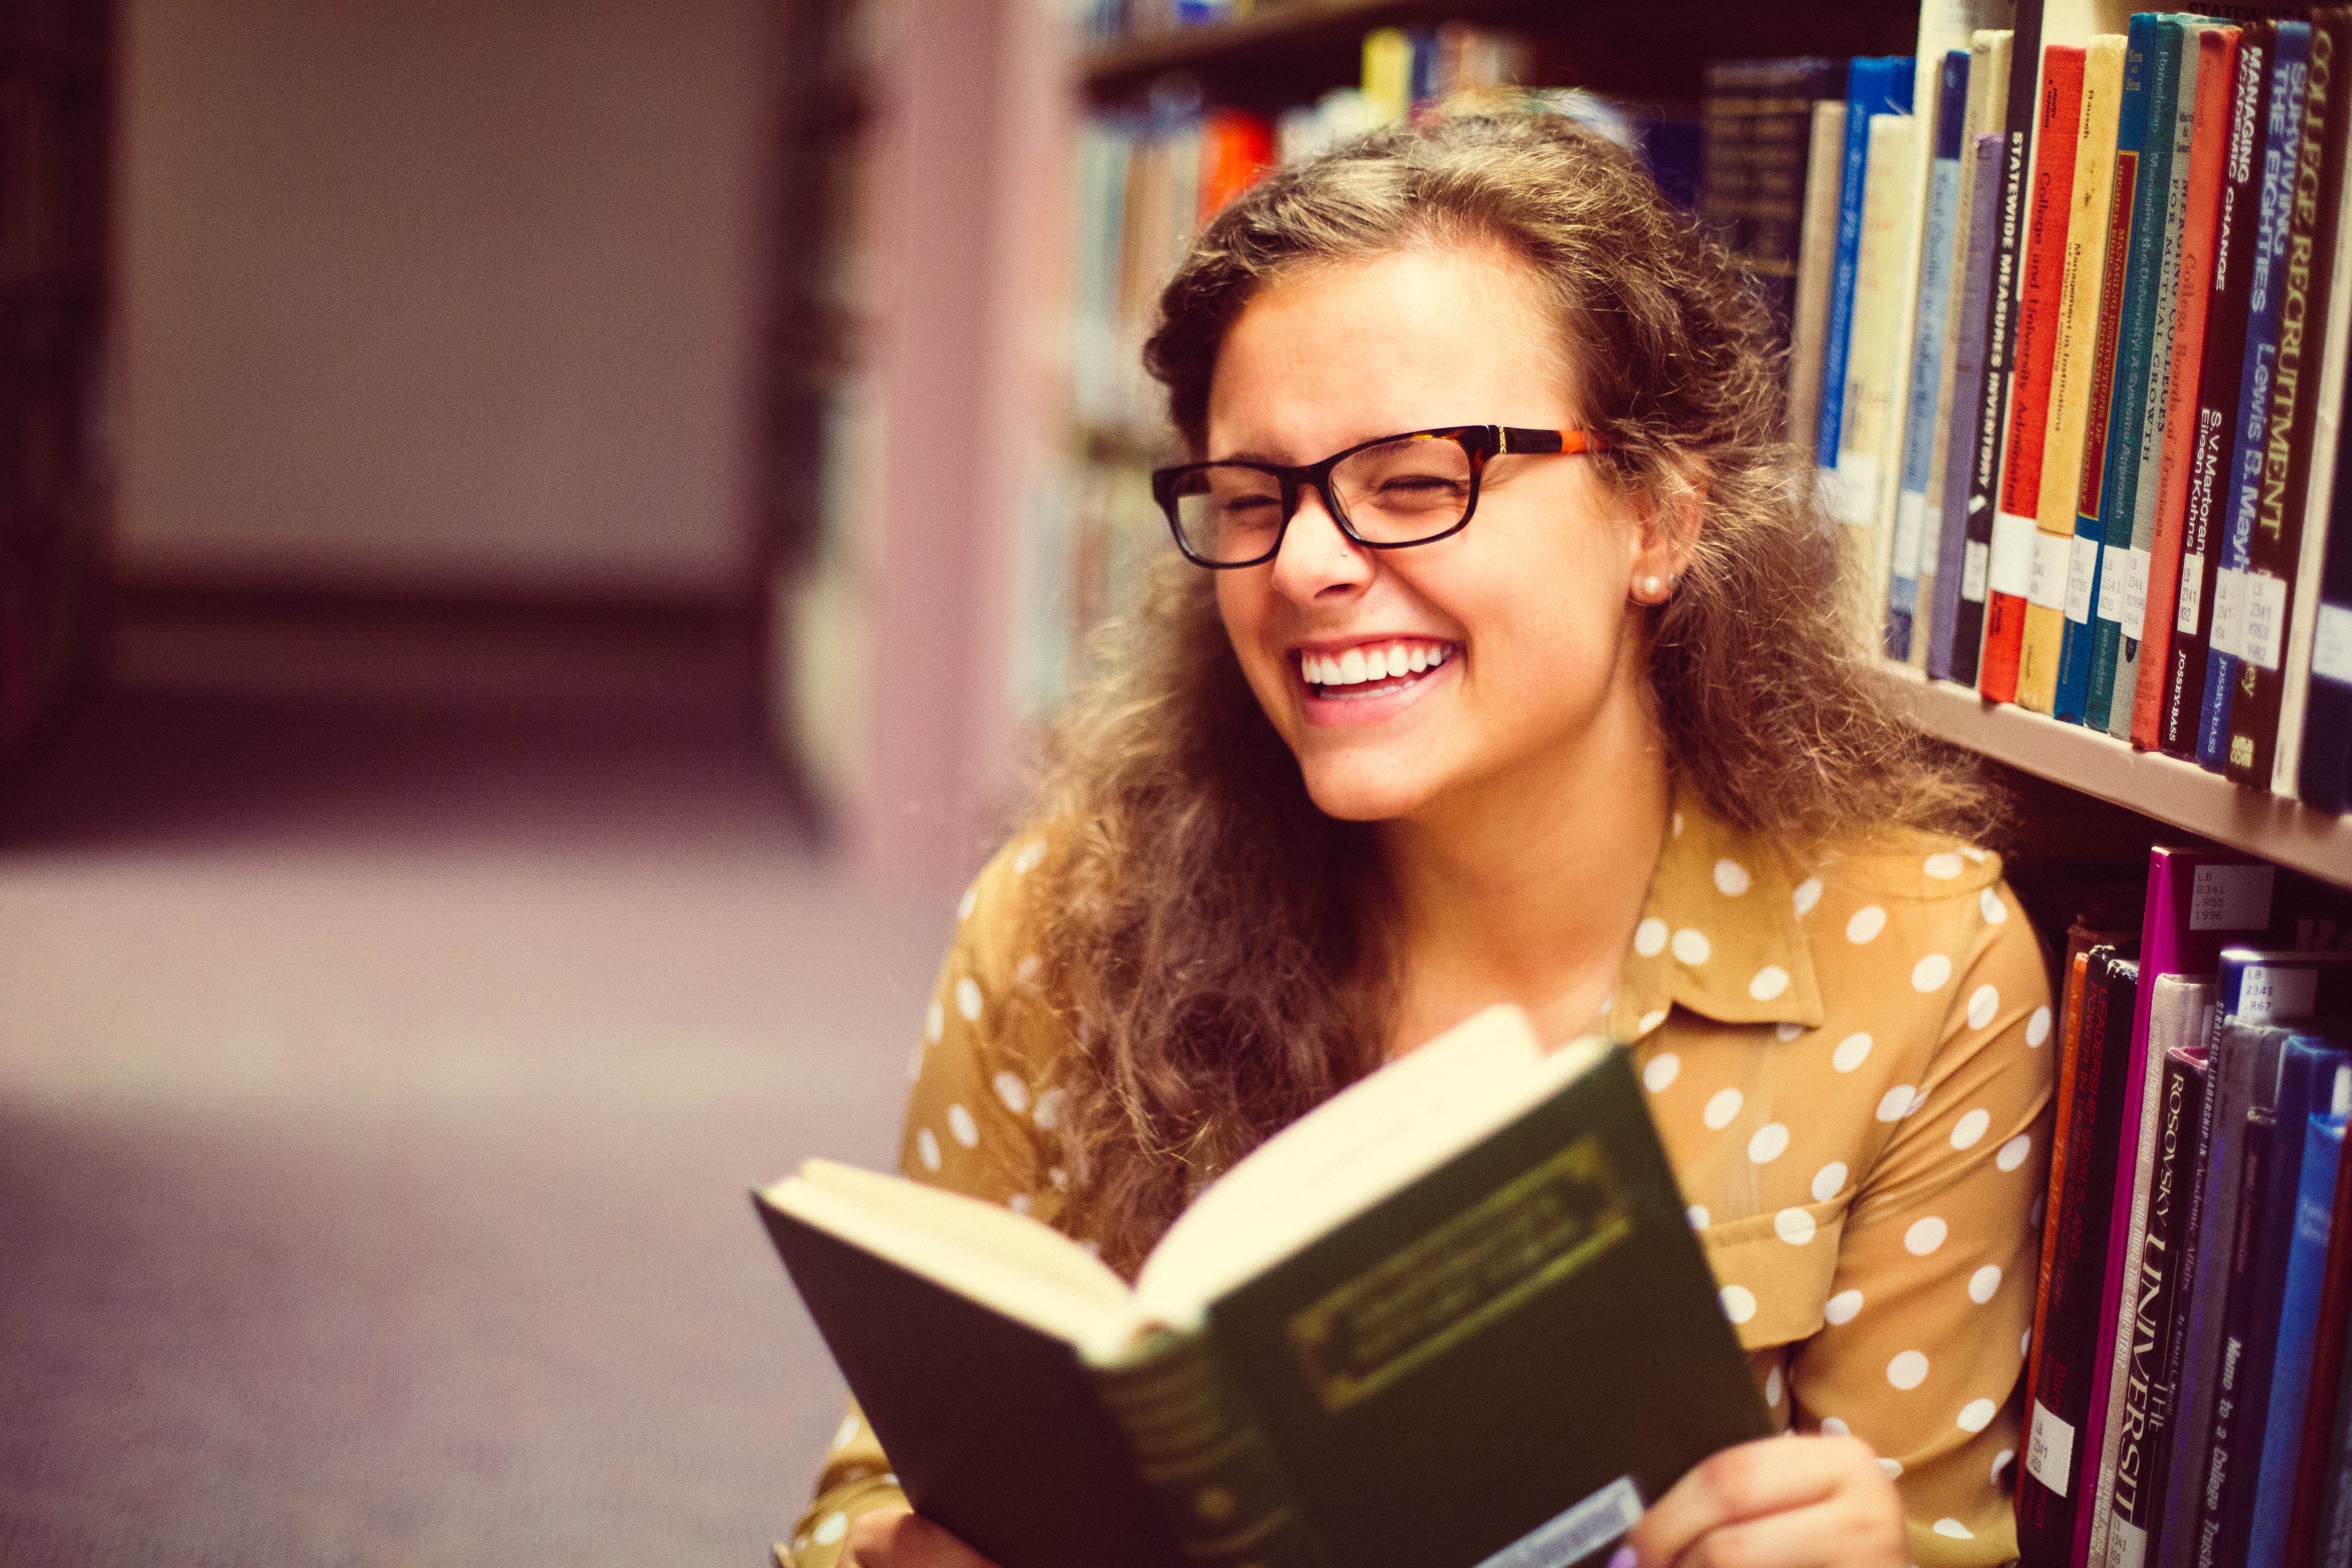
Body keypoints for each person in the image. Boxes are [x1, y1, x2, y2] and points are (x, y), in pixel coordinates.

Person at [780, 111, 2053, 1568]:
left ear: (1657, 516)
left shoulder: (1919, 968)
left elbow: (1940, 1538)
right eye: (1254, 499)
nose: (1309, 566)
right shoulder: (1060, 923)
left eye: (1414, 481)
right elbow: (869, 1489)